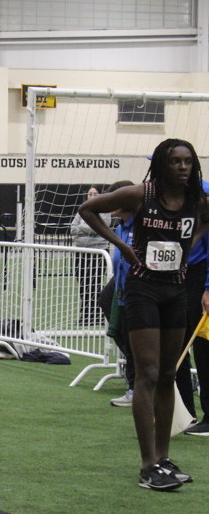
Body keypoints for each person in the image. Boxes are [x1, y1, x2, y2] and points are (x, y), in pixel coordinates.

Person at [79, 138, 209, 491]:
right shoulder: (140, 195)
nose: (183, 167)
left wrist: (191, 244)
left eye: (188, 161)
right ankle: (148, 465)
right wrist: (121, 245)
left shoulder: (197, 200)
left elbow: (204, 221)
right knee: (148, 374)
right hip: (143, 291)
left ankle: (164, 459)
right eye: (176, 161)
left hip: (176, 291)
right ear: (163, 164)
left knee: (168, 374)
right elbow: (88, 209)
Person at [95, 181, 136, 407]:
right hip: (121, 289)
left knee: (137, 340)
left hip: (140, 291)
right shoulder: (121, 226)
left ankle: (138, 387)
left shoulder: (142, 225)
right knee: (125, 335)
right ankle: (134, 382)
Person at [177, 181, 209, 436]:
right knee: (178, 345)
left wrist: (208, 287)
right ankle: (184, 412)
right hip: (181, 276)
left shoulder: (202, 202)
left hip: (199, 278)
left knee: (203, 348)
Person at [69, 186, 112, 325]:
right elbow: (72, 228)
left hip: (98, 252)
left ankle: (97, 315)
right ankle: (86, 315)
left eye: (95, 194)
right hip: (81, 252)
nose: (92, 197)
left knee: (94, 284)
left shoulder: (104, 211)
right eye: (90, 194)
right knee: (83, 284)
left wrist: (83, 227)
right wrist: (88, 227)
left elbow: (98, 229)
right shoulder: (81, 209)